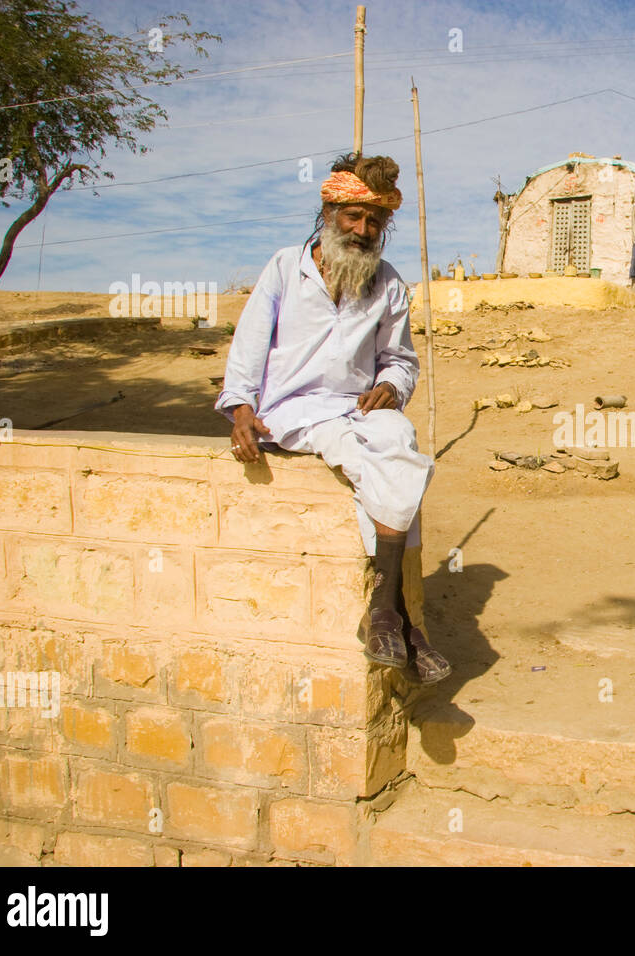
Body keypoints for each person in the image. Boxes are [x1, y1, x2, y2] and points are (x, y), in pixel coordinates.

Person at [214, 153, 450, 684]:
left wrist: (392, 386)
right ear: (329, 210)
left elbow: (401, 359)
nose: (363, 230)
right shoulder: (283, 267)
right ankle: (401, 619)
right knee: (363, 455)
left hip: (357, 407)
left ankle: (384, 613)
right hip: (292, 412)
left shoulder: (388, 283)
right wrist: (241, 410)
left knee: (402, 442)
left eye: (374, 222)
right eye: (352, 217)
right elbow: (247, 349)